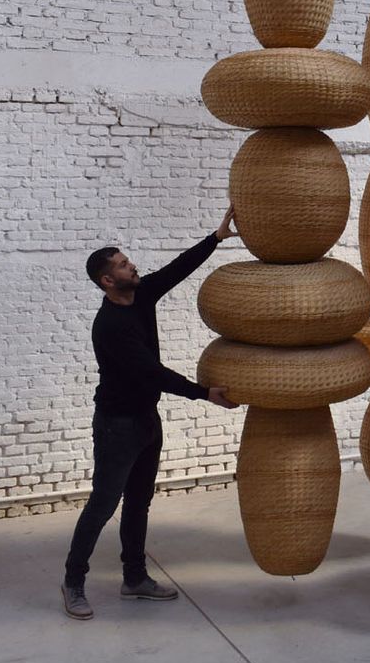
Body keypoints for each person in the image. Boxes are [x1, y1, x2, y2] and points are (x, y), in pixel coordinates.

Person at [61, 205, 240, 620]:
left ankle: (135, 579)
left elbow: (177, 269)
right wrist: (204, 394)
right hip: (116, 425)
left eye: (128, 260)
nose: (132, 265)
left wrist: (216, 237)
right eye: (124, 264)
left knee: (139, 502)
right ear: (108, 280)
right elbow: (150, 372)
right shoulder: (110, 326)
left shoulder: (141, 295)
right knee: (103, 505)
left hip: (145, 420)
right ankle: (73, 582)